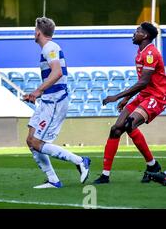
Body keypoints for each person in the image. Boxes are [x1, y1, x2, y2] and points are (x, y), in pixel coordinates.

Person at [24, 17, 91, 189]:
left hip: (55, 102)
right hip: (47, 101)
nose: (34, 33)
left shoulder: (50, 47)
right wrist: (37, 95)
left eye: (34, 30)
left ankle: (80, 161)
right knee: (31, 140)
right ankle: (53, 179)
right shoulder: (48, 48)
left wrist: (38, 91)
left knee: (38, 143)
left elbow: (57, 72)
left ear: (38, 32)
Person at [94, 22, 164, 184]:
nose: (134, 33)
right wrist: (126, 99)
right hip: (144, 95)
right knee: (116, 129)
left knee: (129, 123)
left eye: (138, 31)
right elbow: (142, 82)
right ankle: (105, 175)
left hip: (157, 97)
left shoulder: (150, 54)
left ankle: (152, 165)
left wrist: (117, 96)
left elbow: (144, 82)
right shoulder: (140, 52)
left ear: (145, 36)